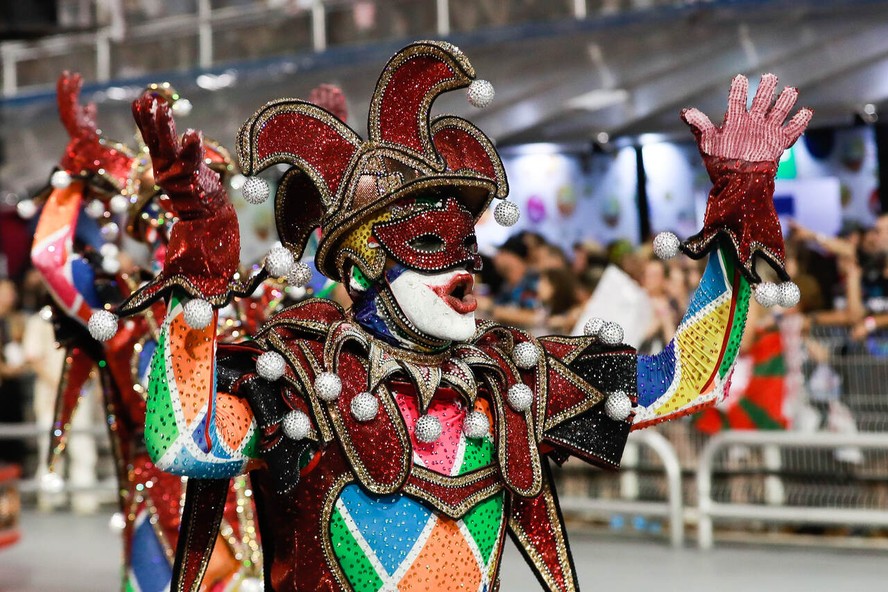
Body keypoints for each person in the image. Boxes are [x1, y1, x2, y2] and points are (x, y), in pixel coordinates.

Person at [95, 41, 811, 591]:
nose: (465, 263)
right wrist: (204, 256)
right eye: (431, 245)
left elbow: (687, 379)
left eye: (470, 243)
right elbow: (182, 440)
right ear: (365, 263)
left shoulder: (509, 378)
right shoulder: (303, 377)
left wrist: (739, 212)